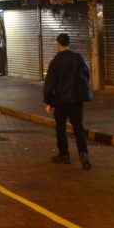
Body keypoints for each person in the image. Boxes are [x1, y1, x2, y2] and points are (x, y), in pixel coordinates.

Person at [43, 33, 92, 169]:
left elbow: (50, 84)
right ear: (69, 43)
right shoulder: (77, 58)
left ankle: (64, 154)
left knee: (61, 128)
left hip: (61, 101)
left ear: (58, 44)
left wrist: (49, 102)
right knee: (78, 128)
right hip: (76, 100)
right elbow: (87, 72)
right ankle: (83, 154)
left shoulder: (56, 61)